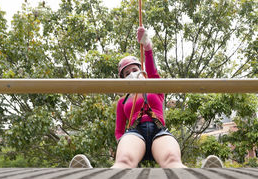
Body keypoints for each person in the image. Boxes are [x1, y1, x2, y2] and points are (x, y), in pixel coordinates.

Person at [70, 26, 187, 168]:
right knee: (124, 160)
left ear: (141, 71)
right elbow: (119, 130)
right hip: (135, 134)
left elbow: (152, 71)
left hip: (159, 131)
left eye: (134, 70)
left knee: (171, 159)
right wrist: (123, 144)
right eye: (127, 73)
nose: (131, 73)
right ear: (124, 79)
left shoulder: (155, 88)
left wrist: (147, 46)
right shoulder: (122, 102)